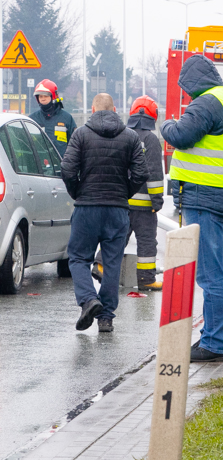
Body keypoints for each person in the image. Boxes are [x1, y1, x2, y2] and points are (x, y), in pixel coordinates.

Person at [161, 55, 223, 363]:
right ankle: (212, 338)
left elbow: (181, 136)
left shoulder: (206, 103)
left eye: (187, 89)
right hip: (218, 197)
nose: (186, 95)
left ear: (193, 82)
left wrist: (167, 124)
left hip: (203, 198)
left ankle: (212, 344)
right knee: (217, 272)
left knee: (210, 276)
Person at [61, 94, 148, 333]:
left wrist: (78, 193)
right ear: (115, 110)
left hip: (87, 208)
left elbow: (67, 169)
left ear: (93, 109)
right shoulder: (130, 137)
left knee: (79, 258)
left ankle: (89, 300)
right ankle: (106, 318)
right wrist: (124, 194)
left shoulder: (81, 134)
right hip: (117, 210)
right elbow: (141, 173)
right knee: (112, 263)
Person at [92, 95, 165, 290]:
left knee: (116, 236)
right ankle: (146, 279)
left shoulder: (123, 134)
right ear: (153, 116)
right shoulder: (151, 140)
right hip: (144, 206)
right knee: (147, 241)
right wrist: (157, 202)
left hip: (121, 201)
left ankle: (100, 266)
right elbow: (154, 175)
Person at [31, 79, 77, 158]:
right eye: (40, 96)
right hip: (39, 165)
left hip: (62, 164)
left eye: (45, 96)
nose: (43, 98)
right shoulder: (33, 119)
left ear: (53, 96)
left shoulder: (66, 118)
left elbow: (75, 144)